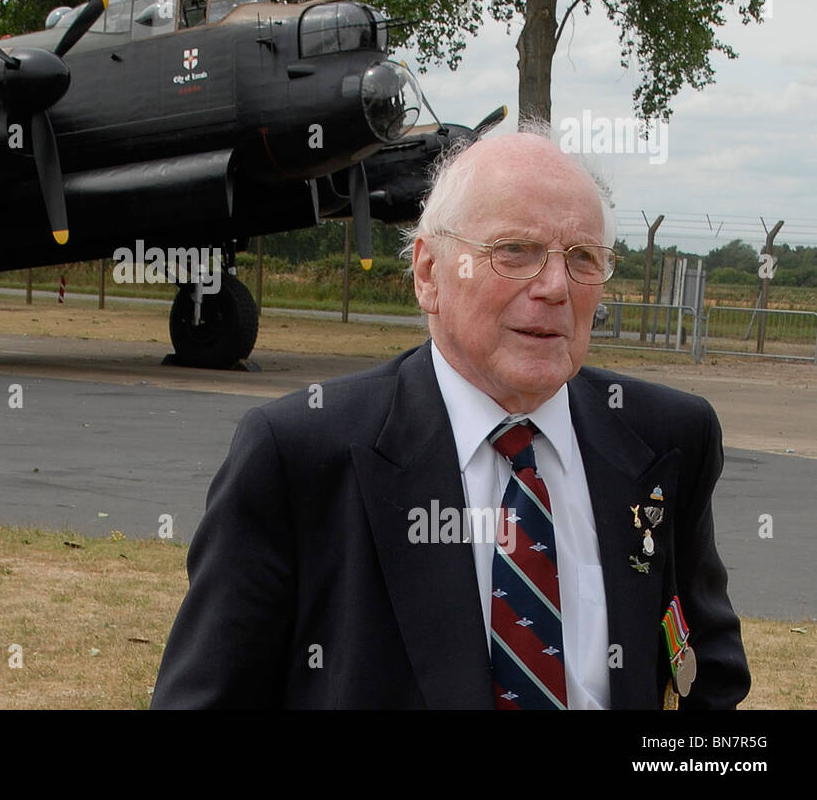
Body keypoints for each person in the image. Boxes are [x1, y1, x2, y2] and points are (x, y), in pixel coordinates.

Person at [151, 131, 749, 709]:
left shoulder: (668, 439)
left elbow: (709, 679)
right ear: (429, 273)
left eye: (583, 258)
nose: (554, 287)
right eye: (515, 251)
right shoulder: (298, 455)